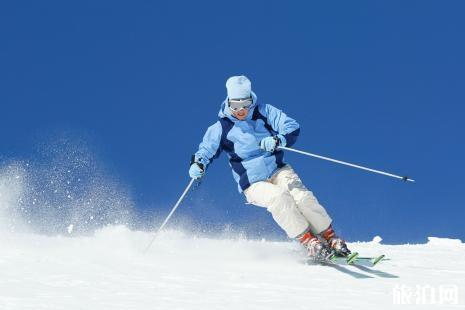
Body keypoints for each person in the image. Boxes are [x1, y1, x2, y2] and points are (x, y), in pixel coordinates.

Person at [189, 75, 351, 259]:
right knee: (279, 198)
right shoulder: (221, 128)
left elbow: (291, 127)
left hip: (278, 170)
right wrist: (198, 164)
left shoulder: (264, 112)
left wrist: (278, 139)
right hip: (252, 183)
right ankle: (309, 241)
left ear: (251, 99)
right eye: (235, 105)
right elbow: (205, 150)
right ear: (228, 102)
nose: (241, 110)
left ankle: (330, 237)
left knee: (302, 197)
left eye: (245, 103)